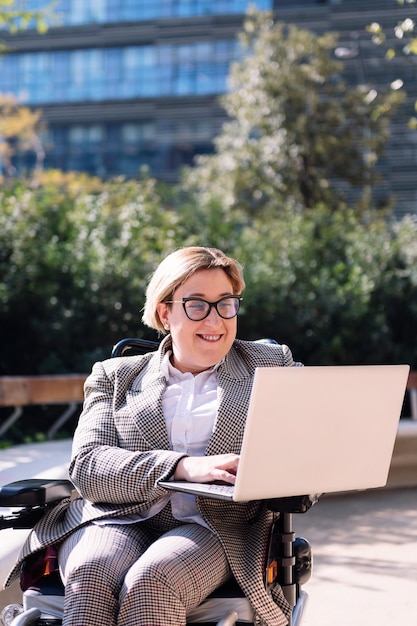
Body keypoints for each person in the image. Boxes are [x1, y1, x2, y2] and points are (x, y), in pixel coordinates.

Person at [8, 246, 298, 626]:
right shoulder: (116, 375)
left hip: (213, 525)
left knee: (152, 580)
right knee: (91, 572)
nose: (215, 320)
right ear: (165, 312)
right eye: (197, 305)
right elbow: (88, 466)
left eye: (226, 304)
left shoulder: (270, 366)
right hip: (118, 515)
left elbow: (310, 442)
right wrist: (182, 467)